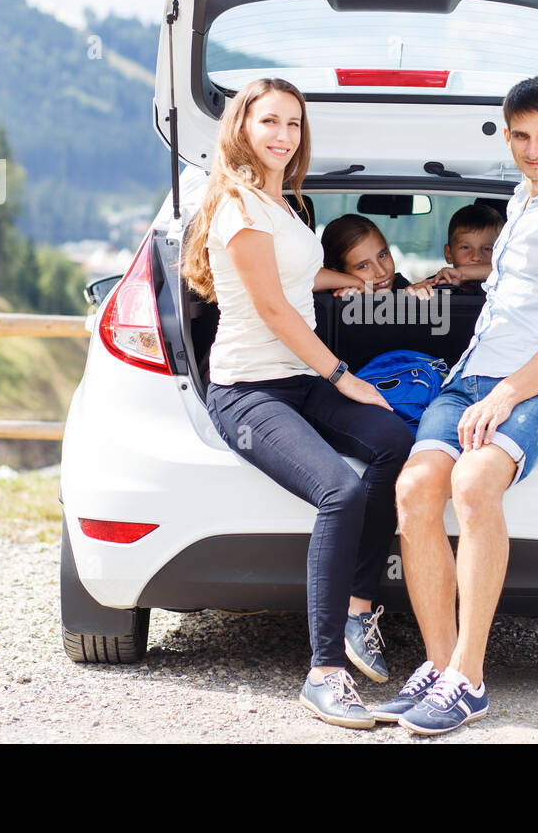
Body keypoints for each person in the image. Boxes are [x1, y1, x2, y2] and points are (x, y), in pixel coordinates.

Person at [376, 76, 538, 735]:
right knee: (413, 490)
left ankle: (471, 676)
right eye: (520, 135)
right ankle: (440, 673)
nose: (533, 148)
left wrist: (507, 393)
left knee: (473, 480)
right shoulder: (522, 200)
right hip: (469, 378)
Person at [181, 77, 415, 729]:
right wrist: (343, 374)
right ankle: (322, 673)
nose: (284, 135)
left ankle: (360, 609)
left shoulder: (282, 203)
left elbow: (299, 275)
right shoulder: (236, 206)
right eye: (271, 122)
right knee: (340, 490)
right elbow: (274, 306)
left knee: (397, 441)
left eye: (294, 123)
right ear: (243, 128)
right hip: (249, 390)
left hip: (297, 380)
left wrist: (358, 280)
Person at [320, 214, 433, 299]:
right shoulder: (321, 302)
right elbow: (305, 277)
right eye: (364, 266)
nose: (382, 272)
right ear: (338, 273)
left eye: (382, 255)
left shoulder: (402, 287)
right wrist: (355, 283)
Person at [417, 203, 505, 295]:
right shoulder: (434, 287)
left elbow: (506, 269)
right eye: (465, 247)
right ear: (448, 253)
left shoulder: (507, 285)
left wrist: (461, 273)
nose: (476, 257)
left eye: (487, 249)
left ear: (502, 253)